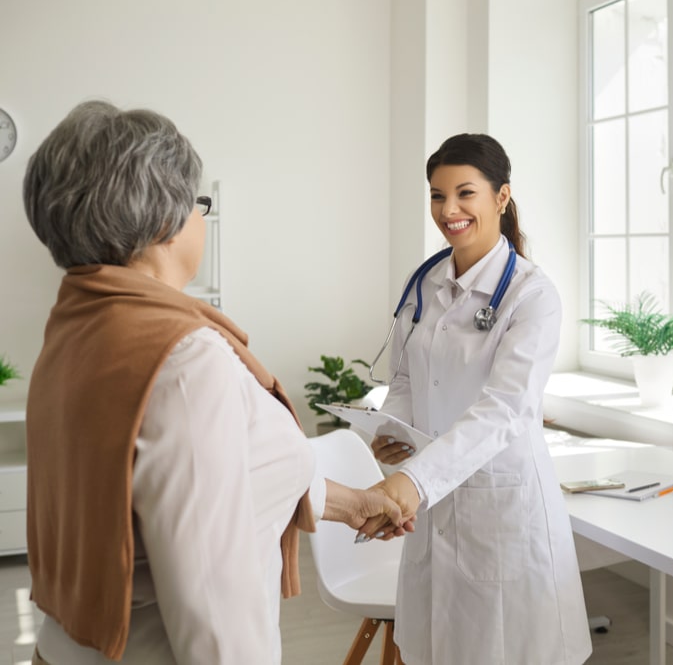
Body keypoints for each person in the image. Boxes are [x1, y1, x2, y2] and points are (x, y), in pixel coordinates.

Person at [22, 100, 409, 665]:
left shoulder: (80, 328)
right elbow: (209, 598)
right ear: (163, 222)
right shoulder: (182, 360)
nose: (201, 218)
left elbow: (227, 476)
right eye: (198, 204)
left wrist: (351, 503)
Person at [356, 133, 592, 664]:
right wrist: (392, 430)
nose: (449, 210)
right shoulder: (424, 284)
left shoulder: (532, 295)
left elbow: (506, 409)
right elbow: (406, 381)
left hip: (500, 509)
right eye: (438, 196)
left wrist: (415, 479)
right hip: (431, 502)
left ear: (501, 198)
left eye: (466, 193)